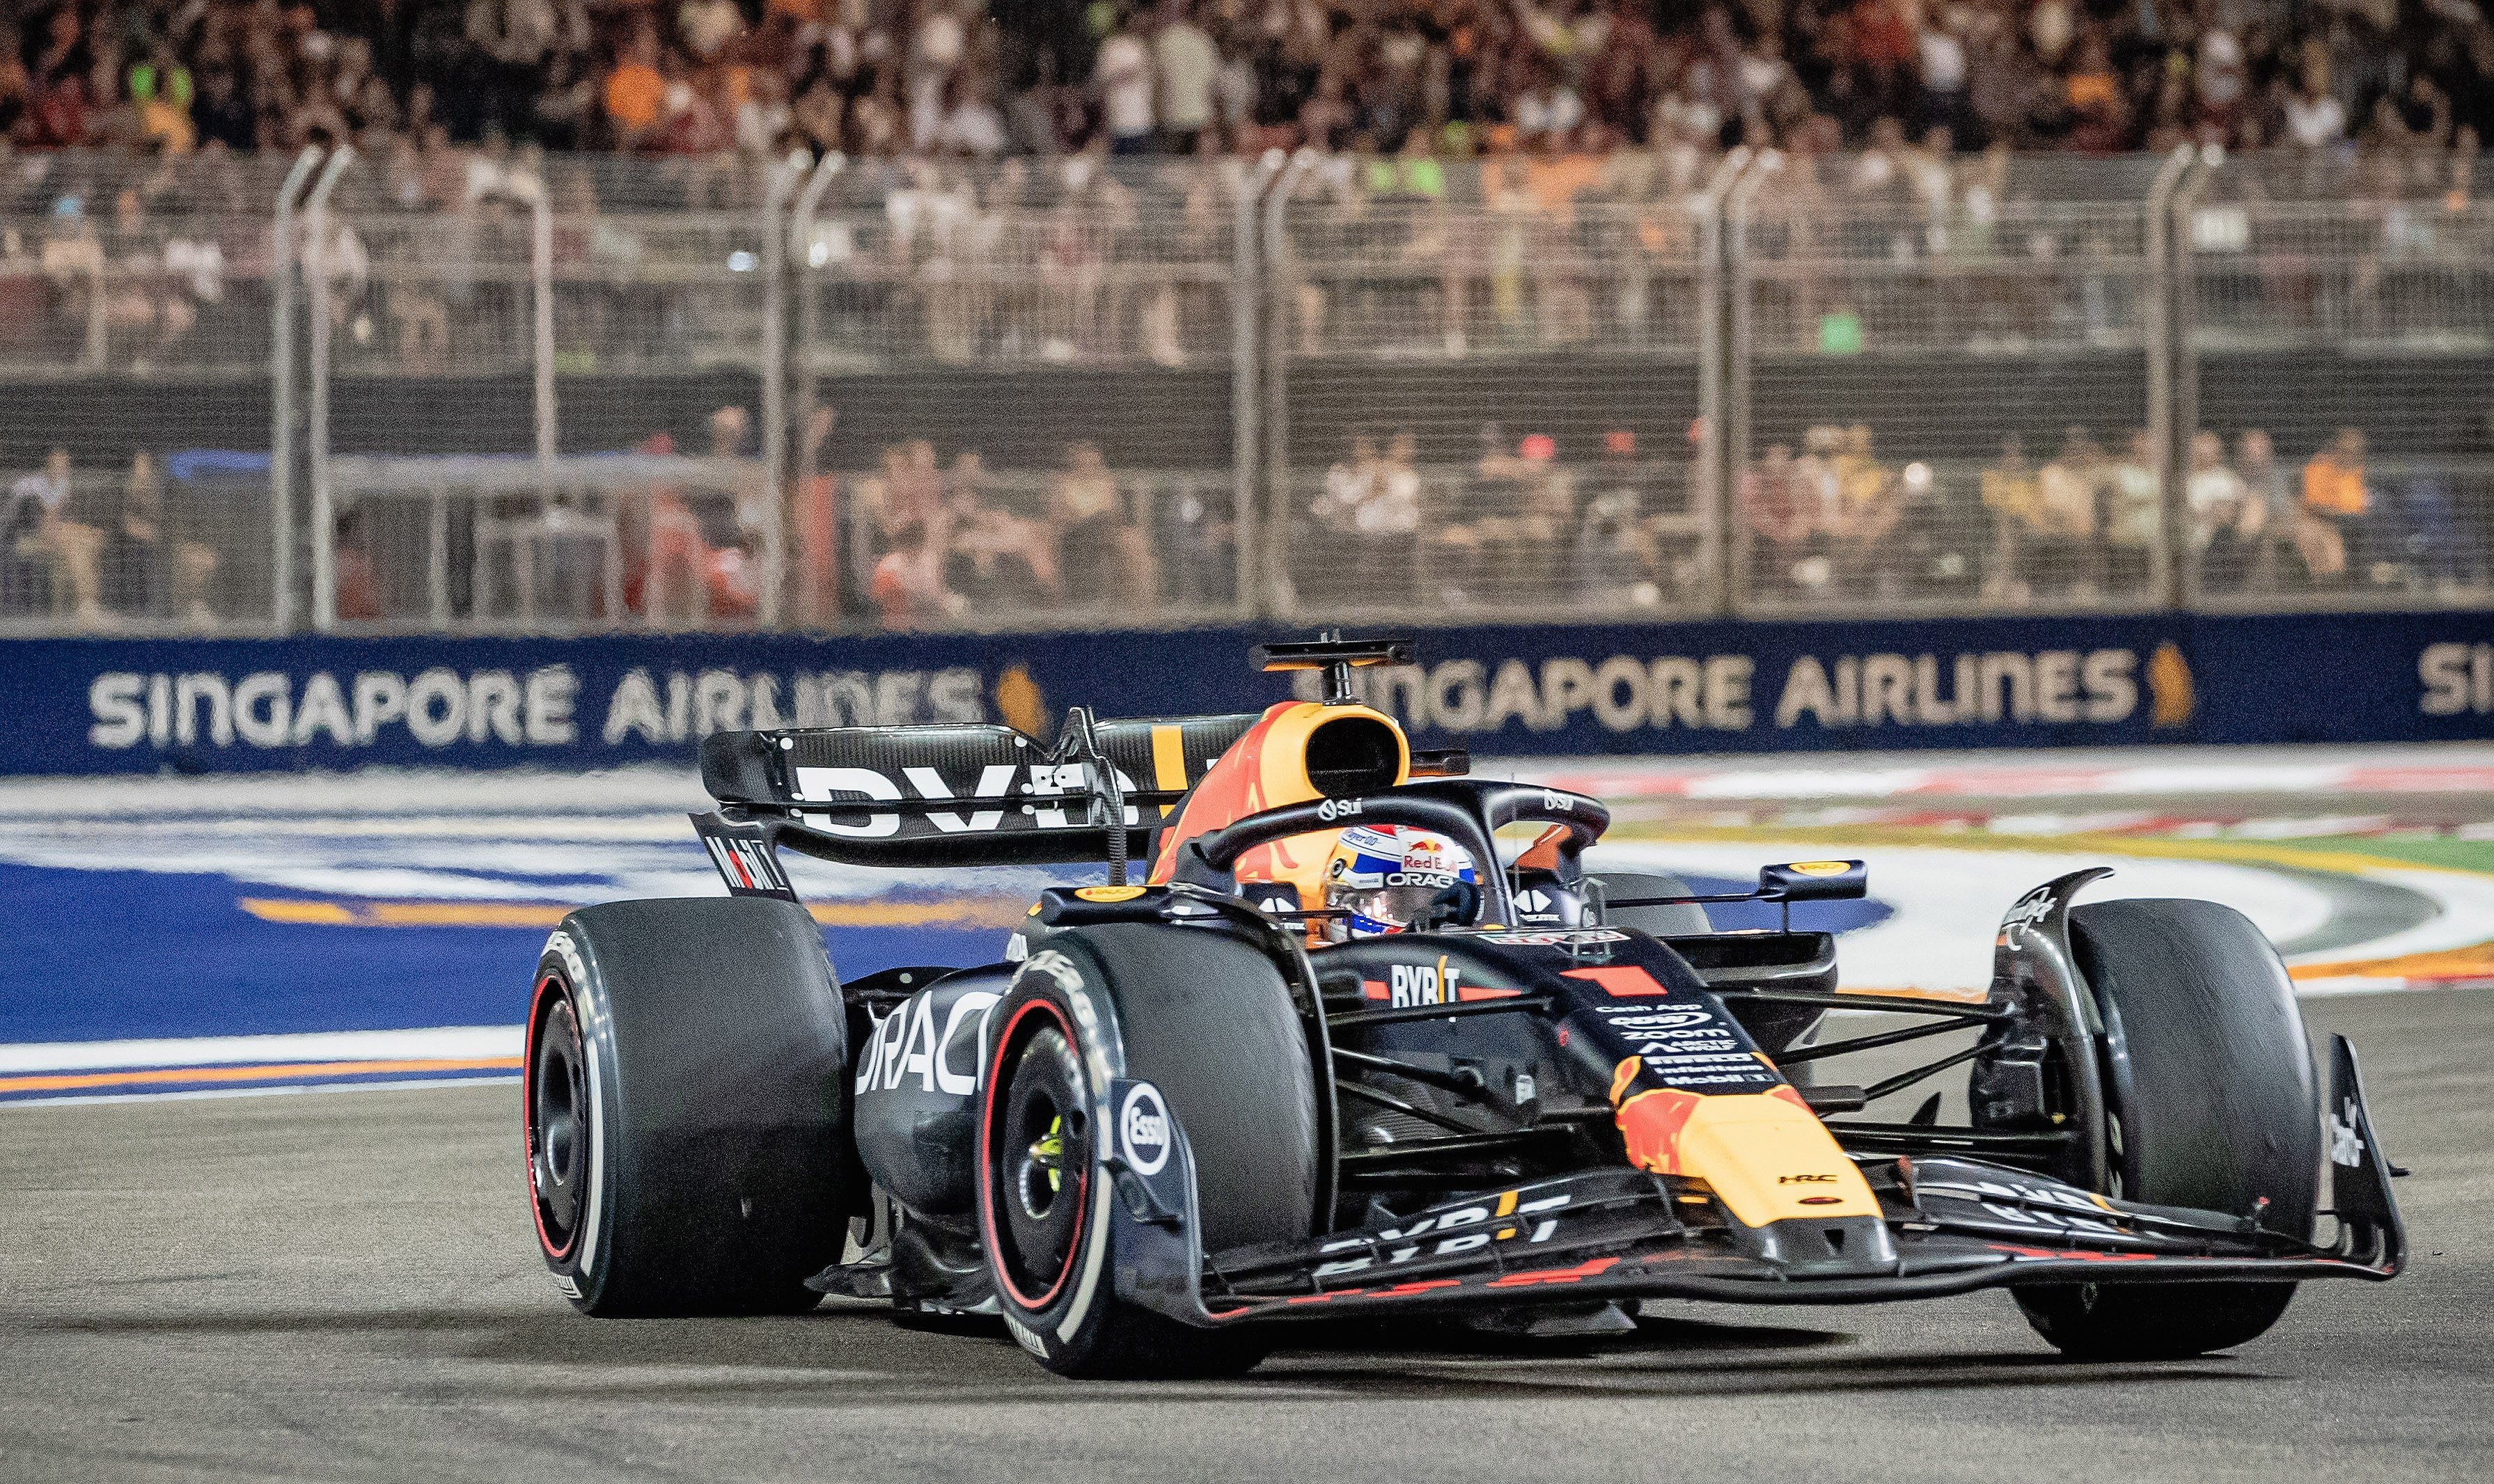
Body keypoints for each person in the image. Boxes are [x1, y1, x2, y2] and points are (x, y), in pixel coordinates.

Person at [4, 448, 101, 625]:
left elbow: (57, 519)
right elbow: (38, 520)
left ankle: (87, 606)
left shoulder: (64, 484)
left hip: (54, 534)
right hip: (26, 536)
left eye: (66, 465)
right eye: (60, 464)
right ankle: (88, 607)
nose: (64, 469)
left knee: (81, 546)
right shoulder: (30, 484)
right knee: (83, 542)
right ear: (50, 463)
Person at [1051, 441, 1127, 603]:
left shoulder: (1106, 483)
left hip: (1103, 531)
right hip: (1076, 534)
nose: (1090, 467)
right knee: (1101, 520)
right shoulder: (1064, 484)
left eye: (1094, 463)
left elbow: (1117, 514)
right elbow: (1060, 518)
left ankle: (1136, 603)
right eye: (1085, 462)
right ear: (1077, 462)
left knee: (1133, 541)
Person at [2185, 431, 2261, 594]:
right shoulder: (2183, 479)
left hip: (2217, 549)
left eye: (2210, 449)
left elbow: (2229, 514)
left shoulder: (2227, 479)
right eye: (2200, 448)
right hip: (2188, 546)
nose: (2204, 453)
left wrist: (2209, 512)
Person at [2300, 428, 2371, 585]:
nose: (2349, 456)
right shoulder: (2319, 467)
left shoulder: (2361, 472)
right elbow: (2315, 505)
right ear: (2335, 448)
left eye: (2355, 452)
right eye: (2344, 451)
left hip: (2356, 523)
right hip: (2323, 522)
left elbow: (2362, 506)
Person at [869, 519, 966, 627]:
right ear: (902, 544)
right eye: (910, 544)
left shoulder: (930, 561)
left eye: (917, 544)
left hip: (929, 620)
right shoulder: (889, 566)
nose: (914, 550)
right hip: (898, 622)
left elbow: (937, 594)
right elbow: (877, 599)